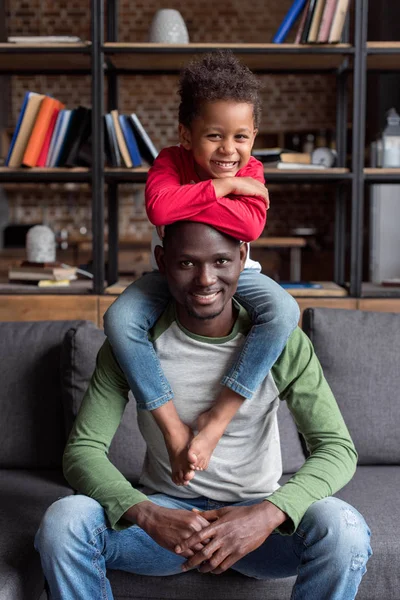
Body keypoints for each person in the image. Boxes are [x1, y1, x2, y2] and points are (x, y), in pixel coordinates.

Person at [35, 221, 371, 600]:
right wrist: (147, 514)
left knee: (344, 528)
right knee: (64, 521)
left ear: (244, 257)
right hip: (164, 522)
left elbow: (337, 448)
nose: (205, 279)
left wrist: (269, 513)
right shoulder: (133, 345)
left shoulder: (282, 342)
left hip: (257, 519)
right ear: (162, 262)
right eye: (186, 264)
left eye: (222, 260)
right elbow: (82, 451)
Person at [104, 50, 300, 485]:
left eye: (241, 137)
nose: (229, 150)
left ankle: (219, 415)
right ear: (186, 135)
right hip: (175, 272)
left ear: (254, 135)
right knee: (119, 318)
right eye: (214, 136)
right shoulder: (171, 162)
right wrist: (226, 187)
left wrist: (186, 208)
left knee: (285, 312)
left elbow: (250, 223)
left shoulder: (255, 169)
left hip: (241, 272)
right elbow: (158, 207)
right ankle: (172, 427)